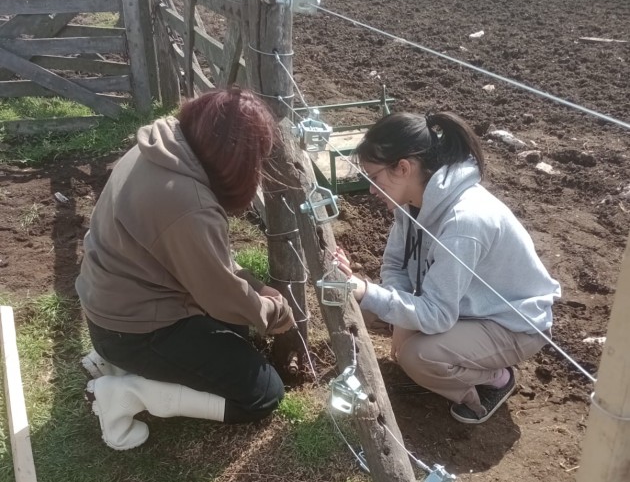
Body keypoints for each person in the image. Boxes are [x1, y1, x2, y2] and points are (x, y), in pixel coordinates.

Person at [76, 88, 294, 451]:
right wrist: (273, 311)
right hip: (135, 331)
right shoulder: (188, 206)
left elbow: (208, 261)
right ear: (236, 160)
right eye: (256, 161)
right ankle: (126, 393)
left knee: (237, 334)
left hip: (112, 308)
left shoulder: (163, 146)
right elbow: (221, 295)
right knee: (262, 394)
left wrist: (254, 287)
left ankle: (117, 363)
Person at [334, 111, 560, 424]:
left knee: (417, 357)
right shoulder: (411, 201)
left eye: (374, 177)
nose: (371, 189)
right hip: (463, 308)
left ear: (403, 167)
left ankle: (493, 380)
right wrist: (400, 323)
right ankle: (452, 352)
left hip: (511, 324)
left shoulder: (463, 222)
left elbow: (438, 315)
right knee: (374, 309)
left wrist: (368, 293)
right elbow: (395, 265)